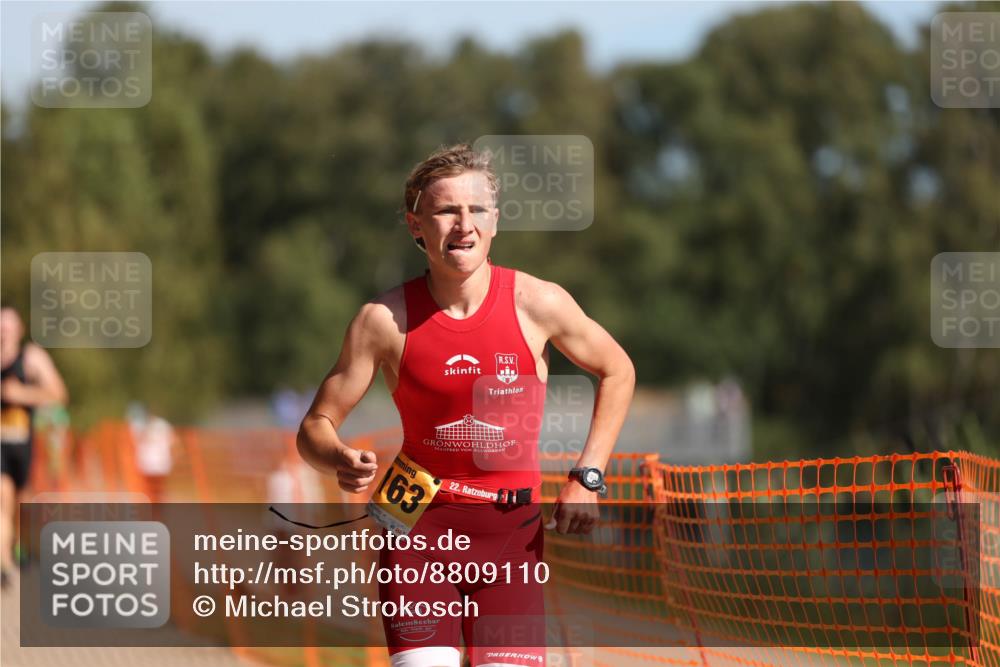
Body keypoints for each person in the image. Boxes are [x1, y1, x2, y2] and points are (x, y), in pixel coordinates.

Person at [297, 144, 635, 667]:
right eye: (445, 210)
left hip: (511, 541)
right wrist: (337, 456)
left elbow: (617, 370)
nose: (463, 224)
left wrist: (588, 475)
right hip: (415, 534)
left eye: (476, 209)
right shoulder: (383, 320)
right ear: (416, 225)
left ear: (495, 222)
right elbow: (315, 427)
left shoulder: (537, 303)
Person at [0, 307, 68, 587]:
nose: (2, 331)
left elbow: (58, 394)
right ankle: (3, 564)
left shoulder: (31, 358)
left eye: (7, 326)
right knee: (1, 500)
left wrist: (20, 394)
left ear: (19, 330)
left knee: (17, 505)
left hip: (23, 444)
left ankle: (16, 548)